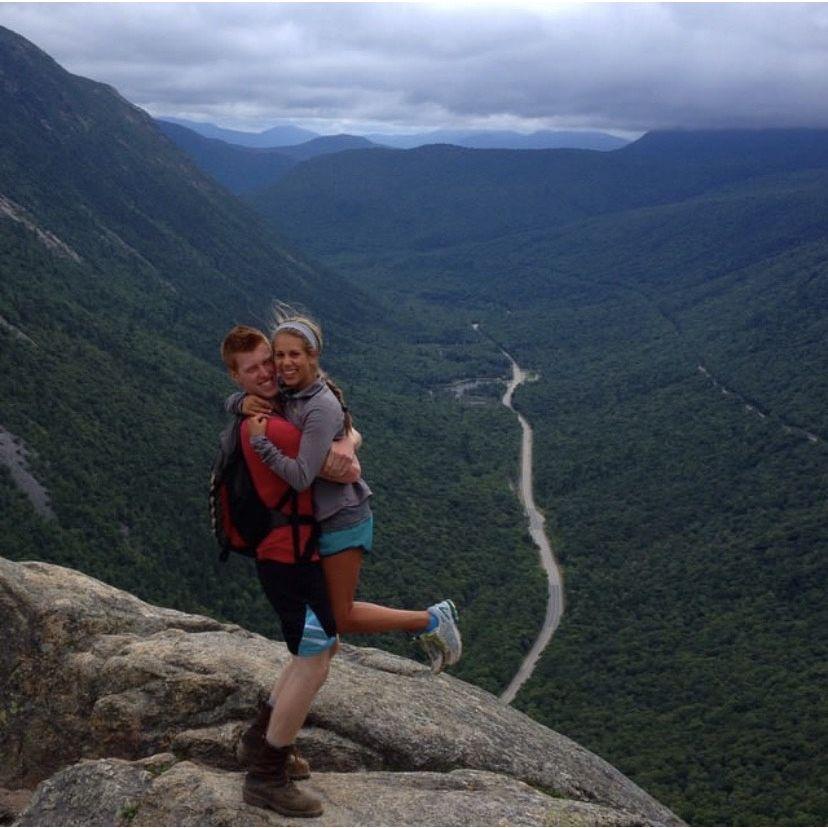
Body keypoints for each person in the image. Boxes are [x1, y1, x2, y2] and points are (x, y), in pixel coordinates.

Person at [228, 310, 462, 673]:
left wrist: (264, 445)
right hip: (316, 521)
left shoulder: (316, 402)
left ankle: (431, 620)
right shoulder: (288, 392)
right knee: (327, 615)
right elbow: (247, 397)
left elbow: (304, 474)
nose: (283, 363)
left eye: (294, 355)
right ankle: (312, 670)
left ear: (313, 356)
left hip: (342, 518)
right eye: (279, 355)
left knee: (341, 615)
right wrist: (238, 403)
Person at [220, 324, 358, 818]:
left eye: (269, 361)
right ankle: (266, 775)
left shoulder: (264, 412)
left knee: (318, 647)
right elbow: (337, 465)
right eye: (254, 368)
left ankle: (261, 739)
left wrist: (348, 435)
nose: (268, 371)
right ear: (236, 376)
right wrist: (346, 449)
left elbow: (339, 429)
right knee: (314, 659)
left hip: (287, 555)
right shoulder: (272, 427)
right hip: (289, 558)